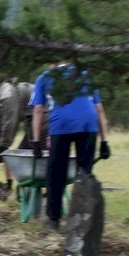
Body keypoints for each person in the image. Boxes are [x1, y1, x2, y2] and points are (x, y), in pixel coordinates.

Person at [29, 61, 110, 229]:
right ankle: (82, 219)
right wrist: (104, 141)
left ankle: (53, 218)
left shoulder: (44, 77)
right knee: (85, 174)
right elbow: (99, 109)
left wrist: (36, 141)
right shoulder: (84, 73)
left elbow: (37, 110)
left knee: (56, 173)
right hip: (89, 125)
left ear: (52, 62)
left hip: (61, 126)